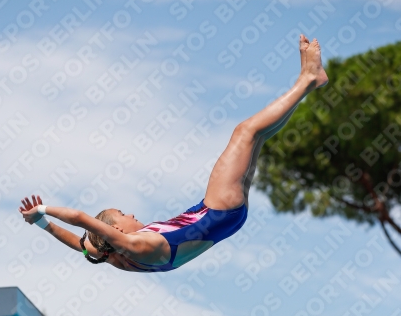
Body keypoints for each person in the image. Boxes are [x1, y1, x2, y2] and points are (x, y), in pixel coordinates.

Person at [19, 35, 328, 272]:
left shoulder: (113, 256)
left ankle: (309, 84)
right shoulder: (132, 244)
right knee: (245, 132)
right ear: (114, 229)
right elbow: (78, 218)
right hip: (217, 210)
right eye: (124, 215)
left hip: (223, 216)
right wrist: (42, 210)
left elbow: (79, 243)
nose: (132, 215)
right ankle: (306, 79)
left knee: (258, 137)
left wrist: (43, 226)